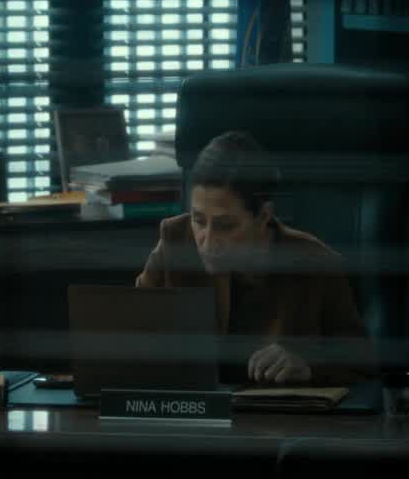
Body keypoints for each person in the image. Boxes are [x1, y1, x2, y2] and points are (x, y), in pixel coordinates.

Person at [135, 130, 375, 385]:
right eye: (199, 220)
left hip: (275, 409)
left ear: (263, 216)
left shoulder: (317, 264)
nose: (208, 241)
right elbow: (131, 331)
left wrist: (308, 366)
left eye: (225, 226)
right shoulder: (174, 240)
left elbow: (362, 368)